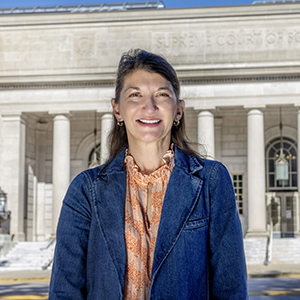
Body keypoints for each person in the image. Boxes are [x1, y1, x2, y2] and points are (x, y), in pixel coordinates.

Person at [49, 49, 249, 300]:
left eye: (162, 95)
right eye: (135, 95)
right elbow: (65, 291)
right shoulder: (86, 190)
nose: (149, 106)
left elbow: (230, 290)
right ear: (117, 110)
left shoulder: (212, 181)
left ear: (178, 110)